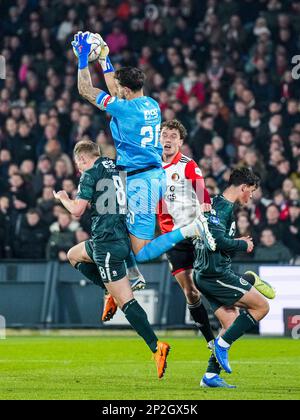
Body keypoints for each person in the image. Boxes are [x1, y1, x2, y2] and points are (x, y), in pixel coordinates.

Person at [72, 31, 215, 320]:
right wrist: (105, 59)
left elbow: (86, 91)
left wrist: (84, 60)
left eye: (119, 89)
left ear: (125, 90)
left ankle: (190, 230)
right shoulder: (150, 104)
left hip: (142, 181)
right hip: (131, 177)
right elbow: (116, 90)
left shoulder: (125, 109)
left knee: (140, 250)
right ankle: (125, 278)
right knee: (108, 223)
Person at [53, 140, 170, 379]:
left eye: (78, 164)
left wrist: (63, 198)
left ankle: (156, 346)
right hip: (117, 237)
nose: (79, 168)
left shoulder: (89, 173)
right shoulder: (116, 167)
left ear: (83, 159)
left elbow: (77, 210)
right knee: (74, 255)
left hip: (107, 244)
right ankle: (108, 292)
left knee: (126, 301)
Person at [193, 168, 276, 388]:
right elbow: (218, 241)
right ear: (243, 187)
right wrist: (243, 244)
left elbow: (213, 238)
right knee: (261, 307)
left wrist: (234, 241)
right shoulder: (221, 208)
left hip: (205, 273)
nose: (251, 196)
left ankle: (210, 376)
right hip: (215, 274)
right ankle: (222, 345)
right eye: (252, 191)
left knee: (230, 321)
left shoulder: (218, 204)